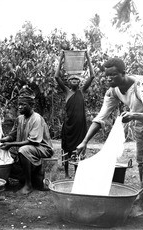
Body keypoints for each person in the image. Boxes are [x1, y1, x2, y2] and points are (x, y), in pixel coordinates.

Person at [76, 57, 143, 217]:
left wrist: (133, 115)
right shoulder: (113, 91)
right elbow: (101, 117)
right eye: (106, 76)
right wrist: (84, 142)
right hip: (140, 120)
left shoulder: (141, 86)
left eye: (112, 75)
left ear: (123, 73)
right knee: (140, 160)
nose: (108, 79)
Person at [0, 85, 54, 195]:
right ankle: (6, 180)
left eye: (23, 104)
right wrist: (2, 140)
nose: (19, 107)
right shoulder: (19, 119)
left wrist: (11, 144)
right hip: (29, 146)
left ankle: (28, 185)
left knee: (24, 150)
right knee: (1, 150)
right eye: (18, 105)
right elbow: (12, 136)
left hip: (43, 148)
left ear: (31, 105)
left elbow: (32, 142)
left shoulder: (36, 119)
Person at [55, 50, 95, 178]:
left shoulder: (82, 91)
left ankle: (78, 173)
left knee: (79, 148)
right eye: (72, 79)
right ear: (68, 82)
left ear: (79, 82)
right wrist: (61, 57)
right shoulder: (67, 92)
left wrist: (88, 57)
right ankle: (67, 174)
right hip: (68, 127)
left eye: (76, 80)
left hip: (80, 127)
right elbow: (56, 77)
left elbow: (92, 76)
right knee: (67, 149)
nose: (74, 81)